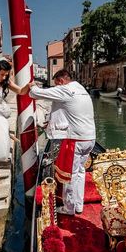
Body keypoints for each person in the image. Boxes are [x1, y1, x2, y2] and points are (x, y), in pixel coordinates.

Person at [29, 69, 96, 215]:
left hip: (76, 139)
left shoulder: (65, 90)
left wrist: (32, 86)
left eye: (56, 84)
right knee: (80, 172)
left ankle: (69, 208)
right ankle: (78, 205)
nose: (56, 87)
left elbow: (36, 93)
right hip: (90, 138)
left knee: (70, 174)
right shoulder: (81, 89)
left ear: (61, 81)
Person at [0, 57, 31, 194]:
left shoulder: (6, 82)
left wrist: (29, 86)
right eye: (2, 74)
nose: (4, 77)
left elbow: (21, 91)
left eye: (6, 75)